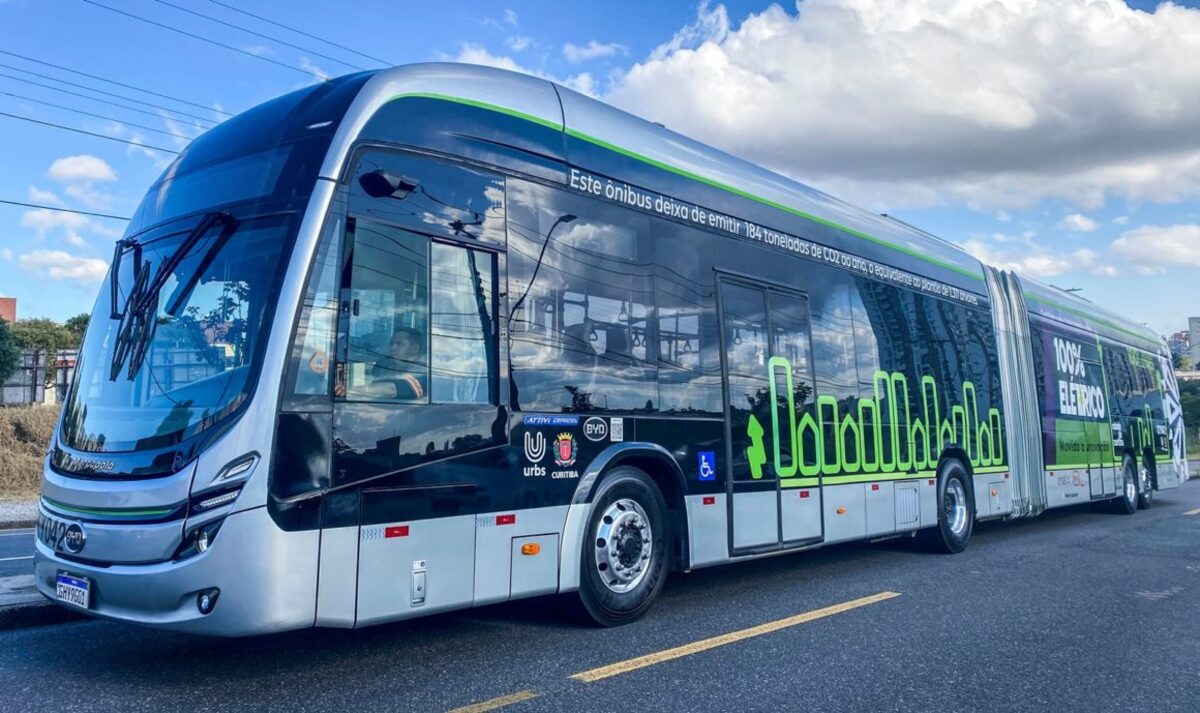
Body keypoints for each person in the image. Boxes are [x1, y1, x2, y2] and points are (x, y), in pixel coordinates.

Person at [338, 326, 427, 400]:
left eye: (399, 344)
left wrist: (349, 391)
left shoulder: (423, 373)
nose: (393, 348)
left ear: (415, 348)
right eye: (391, 344)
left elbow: (390, 389)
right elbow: (370, 382)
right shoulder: (383, 365)